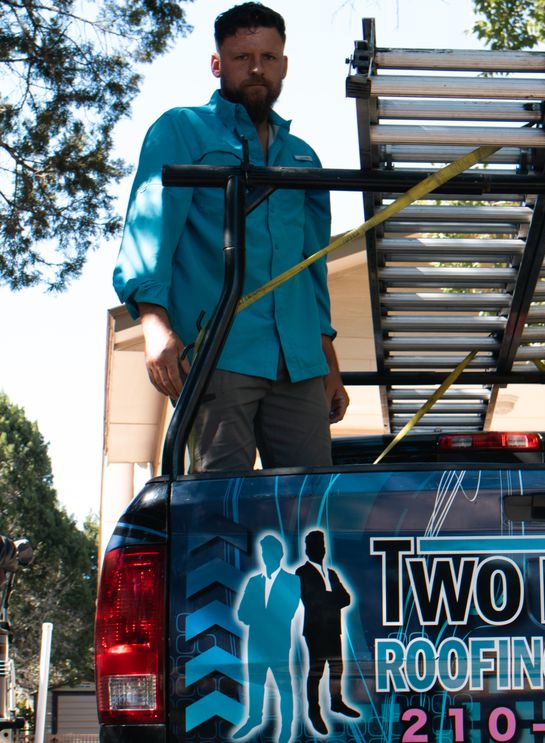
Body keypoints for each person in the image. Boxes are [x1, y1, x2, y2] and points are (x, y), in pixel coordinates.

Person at [113, 2, 348, 472]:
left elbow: (312, 266)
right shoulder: (182, 130)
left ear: (284, 64)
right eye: (242, 58)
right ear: (217, 64)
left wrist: (328, 360)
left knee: (309, 509)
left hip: (299, 361)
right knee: (220, 507)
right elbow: (150, 230)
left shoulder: (302, 158)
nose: (256, 68)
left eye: (268, 57)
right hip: (219, 349)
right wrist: (155, 326)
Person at [233, 535, 301, 743]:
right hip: (255, 645)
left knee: (284, 688)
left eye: (270, 553)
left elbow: (287, 611)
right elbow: (242, 614)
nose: (266, 557)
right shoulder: (254, 582)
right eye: (264, 553)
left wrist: (259, 615)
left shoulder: (292, 580)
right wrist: (265, 615)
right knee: (255, 684)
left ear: (280, 555)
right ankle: (254, 719)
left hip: (279, 645)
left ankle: (287, 728)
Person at [295, 529, 361, 731]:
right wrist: (331, 598)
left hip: (333, 629)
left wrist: (326, 598)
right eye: (316, 546)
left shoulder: (331, 573)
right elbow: (313, 599)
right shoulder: (302, 572)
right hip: (315, 630)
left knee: (336, 669)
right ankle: (314, 711)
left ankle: (336, 702)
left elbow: (346, 598)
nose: (320, 549)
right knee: (316, 672)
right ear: (307, 549)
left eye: (322, 545)